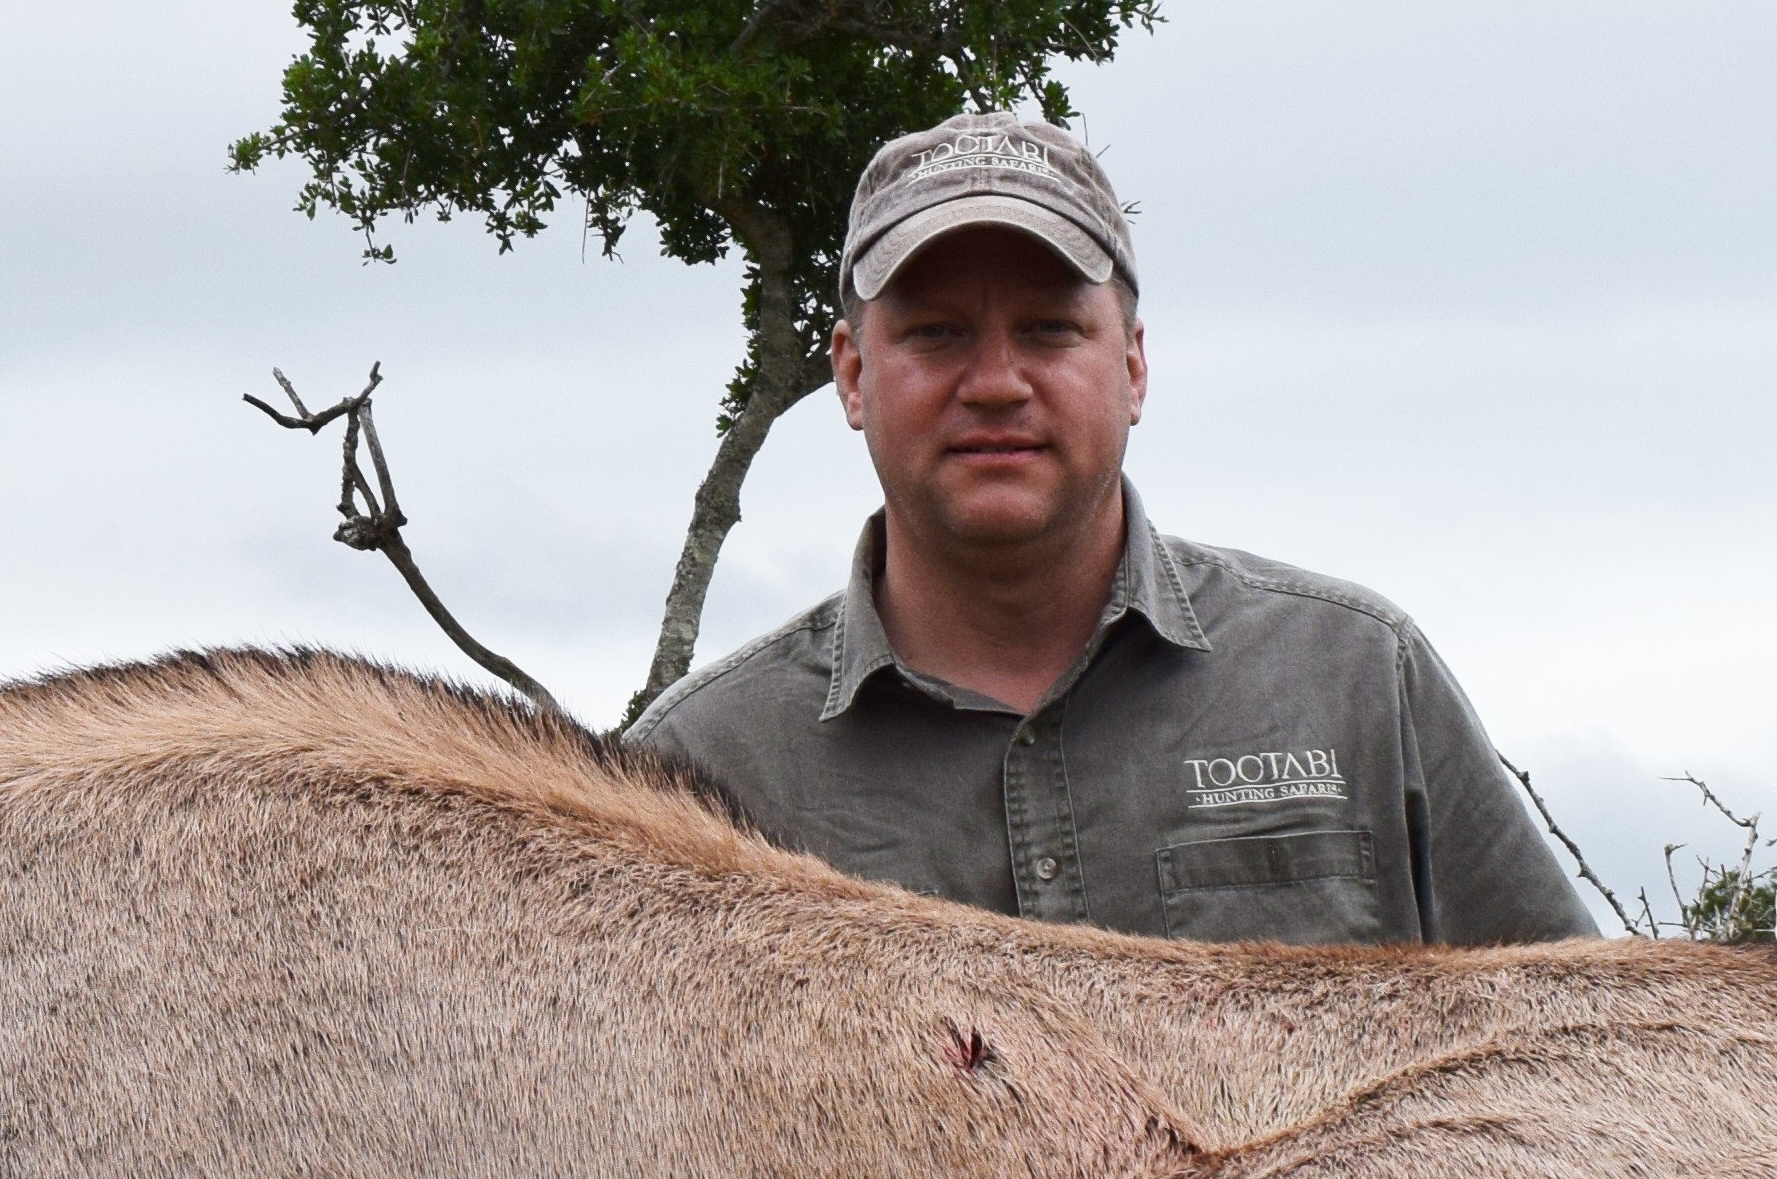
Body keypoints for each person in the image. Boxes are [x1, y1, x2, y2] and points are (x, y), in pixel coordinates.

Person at [626, 112, 1591, 948]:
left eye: (1050, 330)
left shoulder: (1355, 681)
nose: (997, 383)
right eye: (935, 333)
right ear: (850, 374)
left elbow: (1584, 1058)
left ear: (1132, 367)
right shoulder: (696, 775)